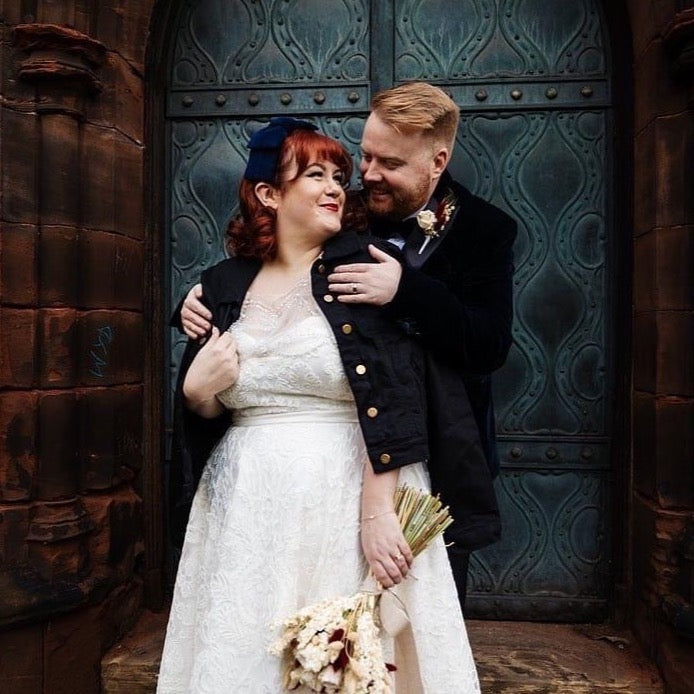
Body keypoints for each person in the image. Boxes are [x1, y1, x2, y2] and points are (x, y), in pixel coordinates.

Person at [158, 117, 480, 692]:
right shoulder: (223, 285)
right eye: (315, 175)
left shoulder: (364, 267)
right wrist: (197, 392)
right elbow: (210, 416)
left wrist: (377, 513)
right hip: (248, 509)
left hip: (350, 494)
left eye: (338, 174)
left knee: (352, 659)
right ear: (269, 194)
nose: (337, 186)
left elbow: (396, 389)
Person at [180, 83, 517, 608]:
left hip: (439, 444)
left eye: (389, 163)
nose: (367, 175)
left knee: (411, 614)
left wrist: (406, 292)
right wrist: (195, 303)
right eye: (365, 155)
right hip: (309, 469)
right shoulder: (346, 210)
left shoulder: (487, 230)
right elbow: (271, 263)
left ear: (437, 161)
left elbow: (490, 345)